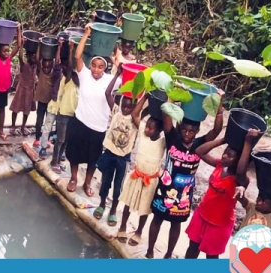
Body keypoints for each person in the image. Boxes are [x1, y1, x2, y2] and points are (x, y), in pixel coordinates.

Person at [145, 92, 225, 259]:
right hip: (165, 189)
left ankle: (168, 254)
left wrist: (219, 105)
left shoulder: (200, 144)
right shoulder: (172, 137)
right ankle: (150, 251)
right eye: (185, 130)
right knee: (157, 219)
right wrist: (172, 96)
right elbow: (167, 117)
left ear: (197, 131)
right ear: (180, 128)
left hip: (184, 194)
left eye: (192, 131)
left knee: (176, 225)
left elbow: (216, 130)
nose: (188, 134)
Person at [66, 23, 121, 197]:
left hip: (98, 128)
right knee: (74, 154)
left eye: (101, 67)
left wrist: (117, 56)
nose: (96, 70)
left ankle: (87, 183)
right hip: (80, 122)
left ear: (105, 68)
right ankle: (73, 178)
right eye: (94, 65)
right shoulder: (84, 75)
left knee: (92, 160)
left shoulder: (111, 81)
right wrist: (86, 35)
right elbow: (77, 55)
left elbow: (124, 76)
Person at [184, 129, 257, 259]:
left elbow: (241, 169)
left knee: (211, 257)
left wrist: (247, 143)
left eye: (230, 156)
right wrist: (224, 139)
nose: (224, 156)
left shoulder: (240, 179)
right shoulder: (220, 165)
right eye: (225, 153)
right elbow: (199, 151)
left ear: (238, 160)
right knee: (192, 248)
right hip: (202, 214)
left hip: (219, 224)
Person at [92, 65, 139, 226]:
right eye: (124, 105)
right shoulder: (116, 111)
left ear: (134, 108)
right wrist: (118, 74)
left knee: (118, 186)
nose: (126, 108)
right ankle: (102, 204)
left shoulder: (135, 120)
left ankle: (113, 210)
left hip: (122, 158)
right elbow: (107, 93)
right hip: (110, 153)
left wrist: (145, 92)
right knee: (105, 181)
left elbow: (139, 110)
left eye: (130, 106)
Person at [117, 109, 165, 246]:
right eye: (147, 126)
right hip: (136, 175)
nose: (147, 129)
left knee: (145, 208)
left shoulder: (162, 142)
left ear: (158, 131)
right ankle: (123, 227)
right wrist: (146, 96)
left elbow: (172, 130)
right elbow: (135, 115)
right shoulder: (143, 134)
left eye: (151, 128)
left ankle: (139, 232)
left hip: (150, 180)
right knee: (128, 202)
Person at [49, 40, 79, 173]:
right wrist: (72, 49)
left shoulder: (79, 83)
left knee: (66, 141)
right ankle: (53, 161)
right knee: (60, 140)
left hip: (72, 116)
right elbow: (72, 66)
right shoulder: (67, 79)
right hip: (63, 115)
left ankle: (59, 159)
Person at [38, 38, 65, 159]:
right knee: (47, 126)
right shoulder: (58, 72)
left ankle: (60, 151)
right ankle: (43, 147)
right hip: (54, 103)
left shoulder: (72, 76)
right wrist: (59, 47)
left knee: (62, 131)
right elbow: (57, 62)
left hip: (64, 106)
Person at [32, 43, 60, 148]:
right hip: (41, 101)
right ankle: (37, 139)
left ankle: (46, 139)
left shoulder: (53, 73)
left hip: (49, 102)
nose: (46, 68)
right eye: (44, 65)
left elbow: (57, 62)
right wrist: (39, 45)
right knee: (39, 121)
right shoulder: (40, 72)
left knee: (49, 122)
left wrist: (59, 48)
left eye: (49, 66)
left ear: (52, 66)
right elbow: (38, 59)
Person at [9, 40, 38, 137]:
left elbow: (39, 57)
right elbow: (20, 56)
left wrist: (39, 45)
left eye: (35, 56)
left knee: (27, 110)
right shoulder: (24, 65)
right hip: (21, 89)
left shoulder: (35, 66)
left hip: (30, 91)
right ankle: (13, 126)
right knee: (16, 109)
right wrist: (21, 46)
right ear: (28, 56)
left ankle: (23, 126)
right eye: (32, 56)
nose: (34, 57)